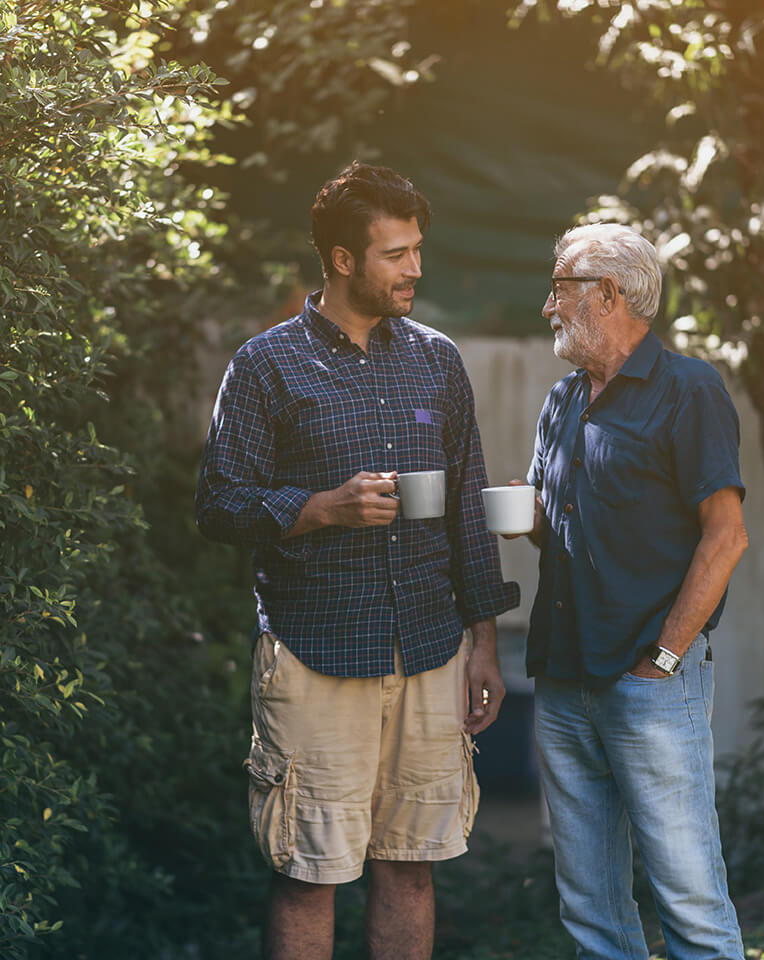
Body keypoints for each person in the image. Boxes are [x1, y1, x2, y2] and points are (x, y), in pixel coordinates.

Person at [195, 161, 519, 960]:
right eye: (395, 253)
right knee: (310, 872)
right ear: (343, 260)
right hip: (316, 651)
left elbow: (467, 510)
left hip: (429, 649)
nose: (415, 267)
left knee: (411, 868)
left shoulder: (438, 361)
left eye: (417, 250)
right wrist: (317, 509)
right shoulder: (267, 364)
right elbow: (218, 504)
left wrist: (485, 641)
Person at [520, 222, 748, 959]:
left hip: (648, 683)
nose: (548, 306)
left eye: (559, 287)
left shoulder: (689, 390)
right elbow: (559, 526)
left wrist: (665, 658)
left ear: (608, 294)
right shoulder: (561, 401)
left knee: (689, 904)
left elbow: (727, 537)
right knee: (591, 912)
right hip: (560, 679)